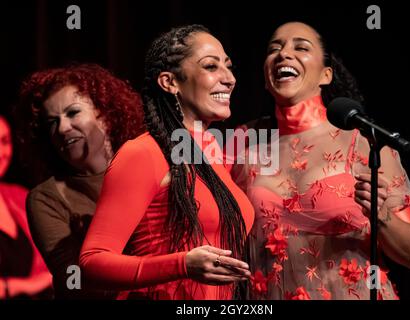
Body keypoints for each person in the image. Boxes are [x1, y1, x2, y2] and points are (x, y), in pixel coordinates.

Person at [229, 22, 410, 300]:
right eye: (275, 48)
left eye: (301, 47)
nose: (284, 54)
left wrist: (381, 217)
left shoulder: (364, 143)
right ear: (264, 76)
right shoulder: (244, 143)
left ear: (326, 75)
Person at [79, 24, 254, 300]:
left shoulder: (218, 159)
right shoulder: (144, 153)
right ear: (170, 82)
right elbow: (91, 263)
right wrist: (182, 265)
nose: (229, 78)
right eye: (211, 66)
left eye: (228, 67)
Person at [15, 63, 145, 299]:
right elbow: (73, 281)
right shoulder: (47, 198)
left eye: (73, 113)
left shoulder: (148, 166)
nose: (63, 128)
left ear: (106, 114)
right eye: (52, 122)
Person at [0, 115, 53, 299]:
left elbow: (53, 264)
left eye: (4, 141)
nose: (0, 152)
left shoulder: (19, 196)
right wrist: (20, 286)